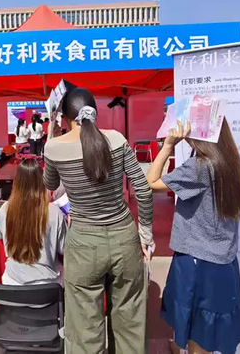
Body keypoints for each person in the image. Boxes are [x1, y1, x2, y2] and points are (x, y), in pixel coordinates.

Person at [43, 88, 154, 353]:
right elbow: (144, 190)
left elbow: (50, 184)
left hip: (83, 243)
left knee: (85, 331)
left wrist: (50, 136)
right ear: (95, 112)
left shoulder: (54, 147)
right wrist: (146, 236)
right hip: (125, 239)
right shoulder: (116, 139)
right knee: (130, 325)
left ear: (65, 118)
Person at [147, 119, 240, 354]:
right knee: (209, 327)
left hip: (197, 262)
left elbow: (151, 182)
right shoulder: (229, 161)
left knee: (198, 330)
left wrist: (168, 146)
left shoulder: (200, 167)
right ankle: (181, 346)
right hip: (223, 261)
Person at [0, 159, 66, 285]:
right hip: (47, 284)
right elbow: (63, 248)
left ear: (16, 181)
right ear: (42, 182)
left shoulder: (5, 208)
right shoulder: (54, 212)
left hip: (13, 282)